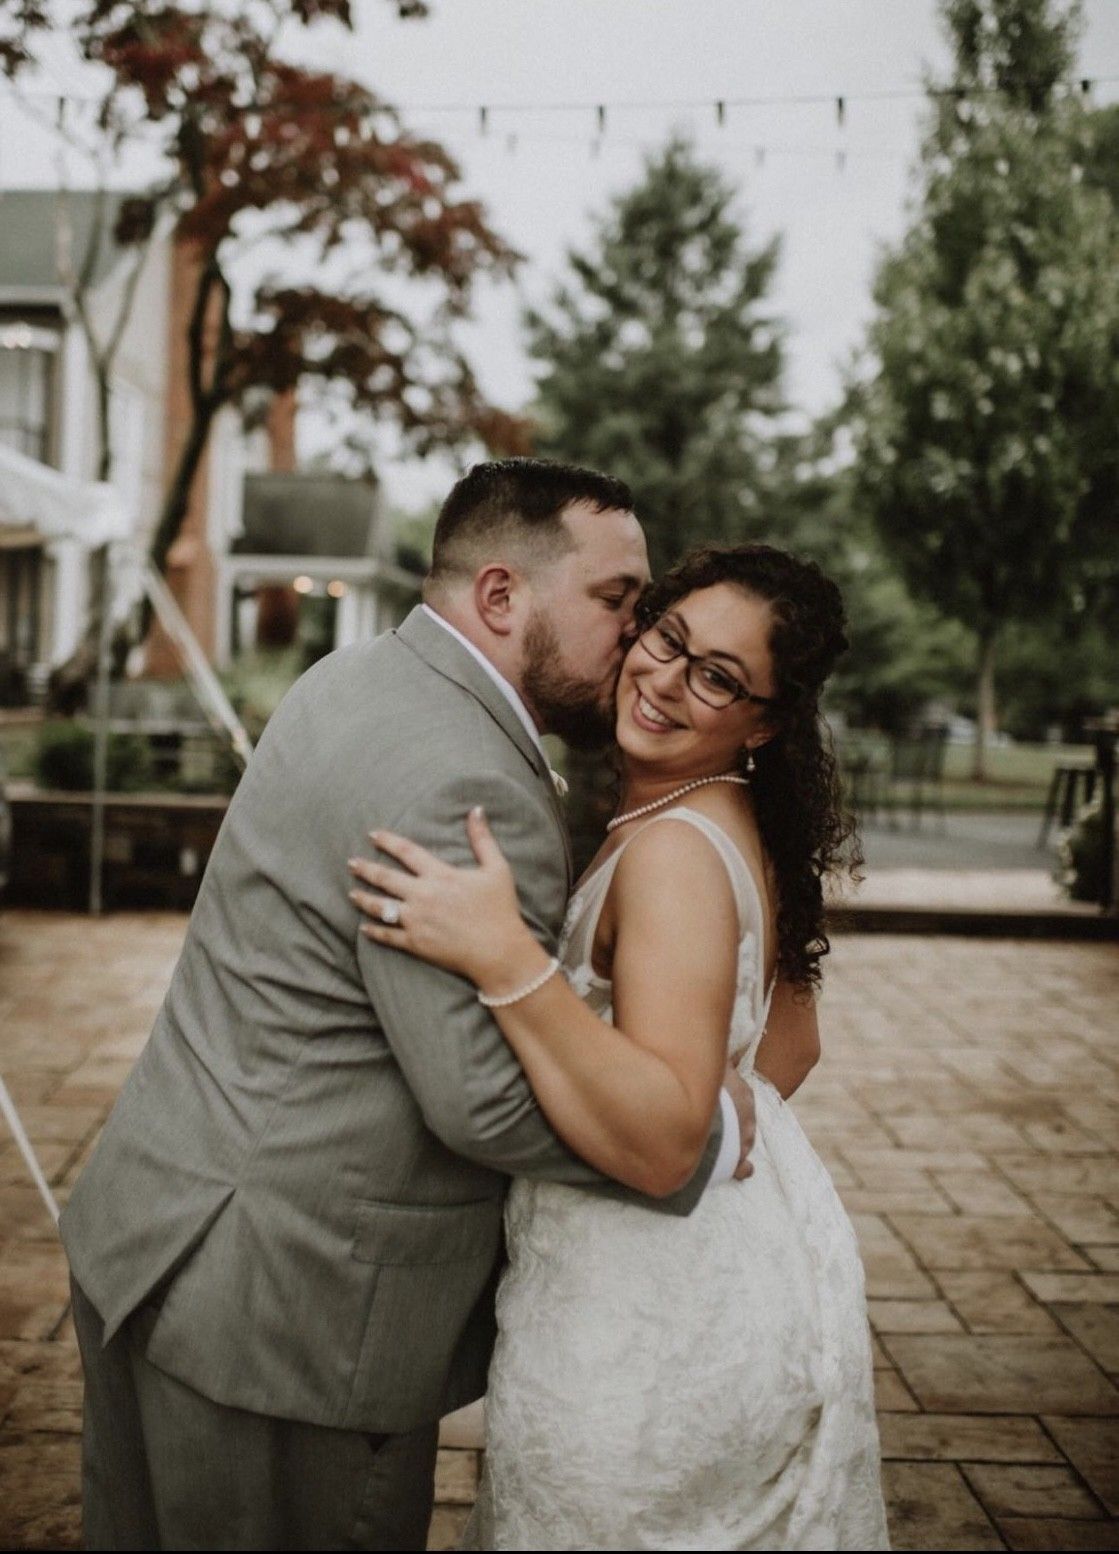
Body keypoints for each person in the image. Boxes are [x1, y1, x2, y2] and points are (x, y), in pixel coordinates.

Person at [59, 459, 760, 1552]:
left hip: (160, 1236)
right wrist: (683, 1135)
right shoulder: (464, 781)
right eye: (618, 603)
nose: (637, 639)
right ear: (499, 596)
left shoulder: (355, 679)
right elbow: (477, 1101)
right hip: (290, 1318)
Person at [349, 542, 890, 1550]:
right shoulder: (708, 816)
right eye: (667, 637)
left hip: (642, 1332)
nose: (666, 679)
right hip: (693, 1281)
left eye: (718, 677)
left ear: (766, 721)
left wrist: (505, 956)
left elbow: (655, 1146)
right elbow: (793, 1041)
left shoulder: (677, 853)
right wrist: (726, 1137)